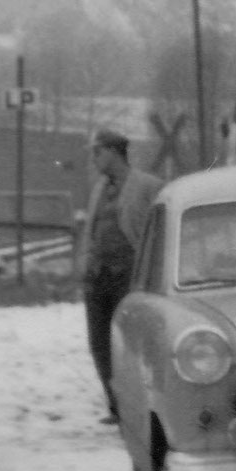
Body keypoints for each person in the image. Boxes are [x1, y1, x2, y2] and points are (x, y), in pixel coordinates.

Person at [81, 129, 161, 425]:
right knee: (99, 342)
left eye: (98, 152)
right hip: (98, 275)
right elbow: (90, 230)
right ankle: (114, 404)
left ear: (114, 152)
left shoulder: (146, 185)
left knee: (128, 343)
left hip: (128, 276)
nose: (94, 159)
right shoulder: (99, 188)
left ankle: (135, 406)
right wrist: (87, 261)